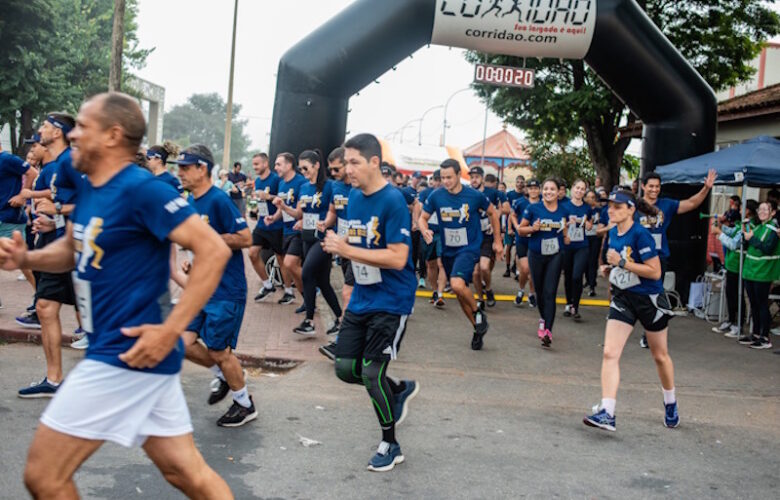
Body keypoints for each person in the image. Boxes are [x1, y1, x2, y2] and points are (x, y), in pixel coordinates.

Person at [0, 92, 234, 498]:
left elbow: (212, 249)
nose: (73, 133)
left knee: (44, 476)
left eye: (83, 127)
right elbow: (75, 250)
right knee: (186, 474)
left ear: (112, 135)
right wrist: (28, 255)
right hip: (133, 354)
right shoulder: (91, 188)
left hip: (124, 354)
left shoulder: (144, 190)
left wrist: (170, 331)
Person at [321, 133, 419, 472]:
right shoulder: (353, 196)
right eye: (345, 163)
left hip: (392, 300)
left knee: (371, 373)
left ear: (374, 162)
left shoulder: (393, 201)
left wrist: (346, 251)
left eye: (353, 163)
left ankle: (390, 444)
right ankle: (398, 391)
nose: (347, 170)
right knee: (346, 369)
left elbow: (397, 257)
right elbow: (359, 231)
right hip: (363, 297)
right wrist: (340, 239)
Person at [583, 189, 678, 432]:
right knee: (609, 353)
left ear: (630, 209)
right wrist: (611, 270)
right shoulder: (614, 232)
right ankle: (608, 412)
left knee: (660, 356)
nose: (610, 210)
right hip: (624, 298)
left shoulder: (641, 234)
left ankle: (670, 402)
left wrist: (622, 263)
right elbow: (619, 263)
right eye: (609, 206)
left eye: (616, 206)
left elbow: (655, 272)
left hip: (650, 300)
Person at [175, 144, 257, 427]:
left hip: (226, 289)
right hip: (201, 286)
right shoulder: (190, 201)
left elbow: (245, 238)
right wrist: (192, 259)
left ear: (202, 169)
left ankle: (244, 403)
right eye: (179, 167)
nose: (180, 172)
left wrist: (207, 241)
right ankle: (226, 375)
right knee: (183, 342)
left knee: (219, 352)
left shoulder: (219, 200)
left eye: (186, 167)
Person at [16, 113, 82, 397]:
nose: (39, 131)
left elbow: (89, 204)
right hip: (58, 242)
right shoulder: (56, 165)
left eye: (44, 126)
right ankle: (54, 380)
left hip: (73, 247)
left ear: (57, 132)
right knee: (46, 307)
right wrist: (49, 219)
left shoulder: (69, 162)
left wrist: (54, 211)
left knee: (87, 314)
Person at [420, 159, 501, 350]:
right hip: (448, 249)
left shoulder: (473, 195)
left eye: (449, 177)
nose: (446, 181)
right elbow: (422, 217)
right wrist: (424, 230)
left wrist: (497, 240)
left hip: (469, 248)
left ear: (458, 175)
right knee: (459, 293)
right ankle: (477, 328)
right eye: (443, 178)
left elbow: (493, 213)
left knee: (456, 284)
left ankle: (478, 312)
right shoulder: (436, 195)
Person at [635, 170, 716, 348]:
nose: (654, 190)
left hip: (658, 258)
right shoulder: (635, 206)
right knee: (635, 294)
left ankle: (650, 332)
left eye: (657, 186)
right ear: (643, 187)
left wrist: (706, 188)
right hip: (637, 258)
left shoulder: (667, 205)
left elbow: (692, 203)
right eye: (651, 186)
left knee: (655, 294)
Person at [292, 149, 342, 336]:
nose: (303, 171)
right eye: (300, 168)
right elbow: (301, 213)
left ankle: (309, 321)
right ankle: (339, 317)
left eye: (306, 167)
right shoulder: (304, 187)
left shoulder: (329, 186)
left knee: (306, 273)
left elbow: (333, 213)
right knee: (322, 281)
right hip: (307, 236)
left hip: (323, 237)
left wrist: (327, 223)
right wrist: (298, 218)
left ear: (316, 165)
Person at [517, 178, 570, 347]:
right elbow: (521, 230)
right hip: (536, 254)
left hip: (556, 254)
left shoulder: (563, 210)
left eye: (552, 189)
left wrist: (566, 237)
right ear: (541, 191)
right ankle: (543, 318)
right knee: (540, 292)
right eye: (545, 189)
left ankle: (548, 330)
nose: (548, 192)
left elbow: (564, 228)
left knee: (550, 292)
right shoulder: (533, 208)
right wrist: (533, 228)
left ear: (559, 192)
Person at [318, 147, 353, 360]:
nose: (332, 172)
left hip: (359, 248)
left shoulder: (360, 190)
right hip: (343, 247)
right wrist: (326, 222)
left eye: (336, 168)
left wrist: (343, 241)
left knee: (348, 294)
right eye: (330, 169)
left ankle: (343, 343)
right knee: (353, 295)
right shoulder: (335, 186)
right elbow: (333, 211)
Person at [266, 153, 306, 307]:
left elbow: (299, 211)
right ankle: (307, 299)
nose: (276, 168)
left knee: (289, 264)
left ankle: (312, 288)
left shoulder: (301, 183)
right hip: (286, 230)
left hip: (298, 230)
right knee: (291, 267)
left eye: (278, 164)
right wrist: (274, 217)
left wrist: (300, 220)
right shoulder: (282, 184)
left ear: (289, 165)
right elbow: (281, 209)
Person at [740, 200, 779, 349]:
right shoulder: (757, 227)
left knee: (762, 304)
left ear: (772, 212)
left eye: (765, 210)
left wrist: (752, 239)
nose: (761, 212)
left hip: (763, 272)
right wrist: (745, 234)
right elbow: (747, 243)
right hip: (751, 271)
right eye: (760, 209)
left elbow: (767, 248)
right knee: (754, 304)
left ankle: (765, 337)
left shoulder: (773, 229)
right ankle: (755, 333)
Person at [468, 167, 509, 309]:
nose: (474, 179)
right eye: (471, 177)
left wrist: (495, 214)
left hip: (486, 235)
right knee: (475, 272)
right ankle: (480, 298)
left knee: (485, 267)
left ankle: (489, 289)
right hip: (472, 237)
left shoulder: (493, 193)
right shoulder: (466, 193)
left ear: (482, 178)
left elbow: (507, 208)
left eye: (477, 177)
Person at [711, 205, 754, 338]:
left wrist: (719, 232)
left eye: (741, 209)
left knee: (738, 295)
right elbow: (731, 232)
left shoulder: (749, 226)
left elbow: (734, 243)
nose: (739, 211)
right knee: (730, 294)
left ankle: (738, 324)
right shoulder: (740, 225)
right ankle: (730, 320)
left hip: (739, 267)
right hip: (731, 266)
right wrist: (720, 227)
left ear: (748, 211)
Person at [248, 152, 286, 302]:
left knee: (281, 259)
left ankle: (288, 290)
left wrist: (268, 197)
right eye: (253, 164)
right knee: (252, 253)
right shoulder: (257, 181)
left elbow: (282, 200)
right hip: (262, 224)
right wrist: (256, 210)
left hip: (276, 225)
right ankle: (267, 284)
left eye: (257, 164)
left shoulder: (276, 180)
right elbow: (261, 201)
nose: (254, 167)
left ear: (265, 163)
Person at [562, 179, 593, 321]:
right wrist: (567, 224)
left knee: (577, 276)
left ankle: (576, 306)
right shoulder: (564, 206)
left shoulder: (587, 208)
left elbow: (590, 225)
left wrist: (585, 223)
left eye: (582, 189)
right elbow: (560, 224)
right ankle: (568, 303)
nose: (579, 191)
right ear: (572, 188)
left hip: (582, 245)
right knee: (568, 275)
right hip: (568, 245)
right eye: (577, 188)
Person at [415, 170, 446, 308]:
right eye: (436, 179)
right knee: (431, 264)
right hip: (428, 233)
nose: (438, 182)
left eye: (441, 179)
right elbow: (419, 209)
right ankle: (434, 290)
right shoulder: (425, 193)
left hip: (443, 233)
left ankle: (440, 294)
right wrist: (418, 225)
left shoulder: (449, 194)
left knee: (441, 263)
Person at [509, 179, 539, 308]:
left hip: (536, 239)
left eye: (535, 188)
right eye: (530, 188)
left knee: (533, 271)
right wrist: (516, 227)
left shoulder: (543, 203)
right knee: (525, 269)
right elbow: (512, 215)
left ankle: (532, 294)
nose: (533, 190)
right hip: (522, 239)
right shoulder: (520, 202)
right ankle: (521, 290)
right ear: (527, 190)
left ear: (539, 189)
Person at [503, 175, 526, 277]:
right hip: (510, 224)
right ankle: (507, 268)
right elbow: (508, 212)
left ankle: (516, 267)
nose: (520, 184)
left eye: (522, 182)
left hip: (521, 225)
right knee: (508, 247)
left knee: (518, 248)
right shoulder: (510, 194)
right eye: (518, 182)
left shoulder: (525, 196)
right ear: (515, 183)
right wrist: (507, 226)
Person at [584, 189, 602, 297]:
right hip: (585, 237)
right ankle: (588, 280)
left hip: (596, 237)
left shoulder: (599, 210)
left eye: (593, 197)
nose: (590, 199)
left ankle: (592, 285)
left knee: (592, 261)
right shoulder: (584, 209)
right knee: (585, 261)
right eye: (588, 197)